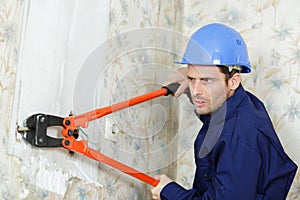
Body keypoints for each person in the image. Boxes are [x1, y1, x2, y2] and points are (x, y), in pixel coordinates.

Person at [151, 23, 298, 200]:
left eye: (206, 80)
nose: (196, 90)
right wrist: (187, 74)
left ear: (234, 81)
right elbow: (210, 92)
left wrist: (170, 191)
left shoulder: (238, 138)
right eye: (192, 79)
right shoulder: (240, 102)